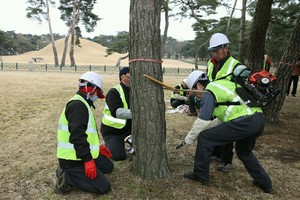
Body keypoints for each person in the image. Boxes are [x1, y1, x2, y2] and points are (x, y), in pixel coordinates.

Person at [183, 70, 273, 193]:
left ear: (198, 85)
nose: (194, 95)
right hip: (258, 120)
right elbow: (222, 120)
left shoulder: (208, 91)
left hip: (244, 121)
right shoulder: (222, 85)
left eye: (193, 92)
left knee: (205, 138)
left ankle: (200, 175)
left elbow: (202, 120)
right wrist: (207, 128)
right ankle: (266, 184)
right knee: (243, 151)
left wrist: (189, 138)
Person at [56, 71, 114, 195]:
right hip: (72, 159)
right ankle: (67, 176)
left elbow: (85, 132)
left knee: (108, 167)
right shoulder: (78, 106)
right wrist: (88, 160)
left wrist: (96, 149)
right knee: (103, 187)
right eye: (98, 93)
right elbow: (77, 137)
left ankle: (77, 171)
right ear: (91, 90)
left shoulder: (83, 103)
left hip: (79, 153)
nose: (97, 97)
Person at [206, 32, 242, 171]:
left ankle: (226, 160)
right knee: (214, 129)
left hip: (229, 105)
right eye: (213, 50)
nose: (215, 53)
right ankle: (216, 153)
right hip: (214, 103)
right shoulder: (210, 63)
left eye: (217, 50)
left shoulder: (235, 65)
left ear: (226, 47)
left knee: (227, 132)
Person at [101, 66, 133, 161]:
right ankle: (108, 146)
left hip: (129, 129)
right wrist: (138, 114)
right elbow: (117, 112)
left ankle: (129, 140)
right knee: (119, 157)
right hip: (113, 131)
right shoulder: (114, 92)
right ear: (122, 77)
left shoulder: (136, 91)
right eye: (130, 77)